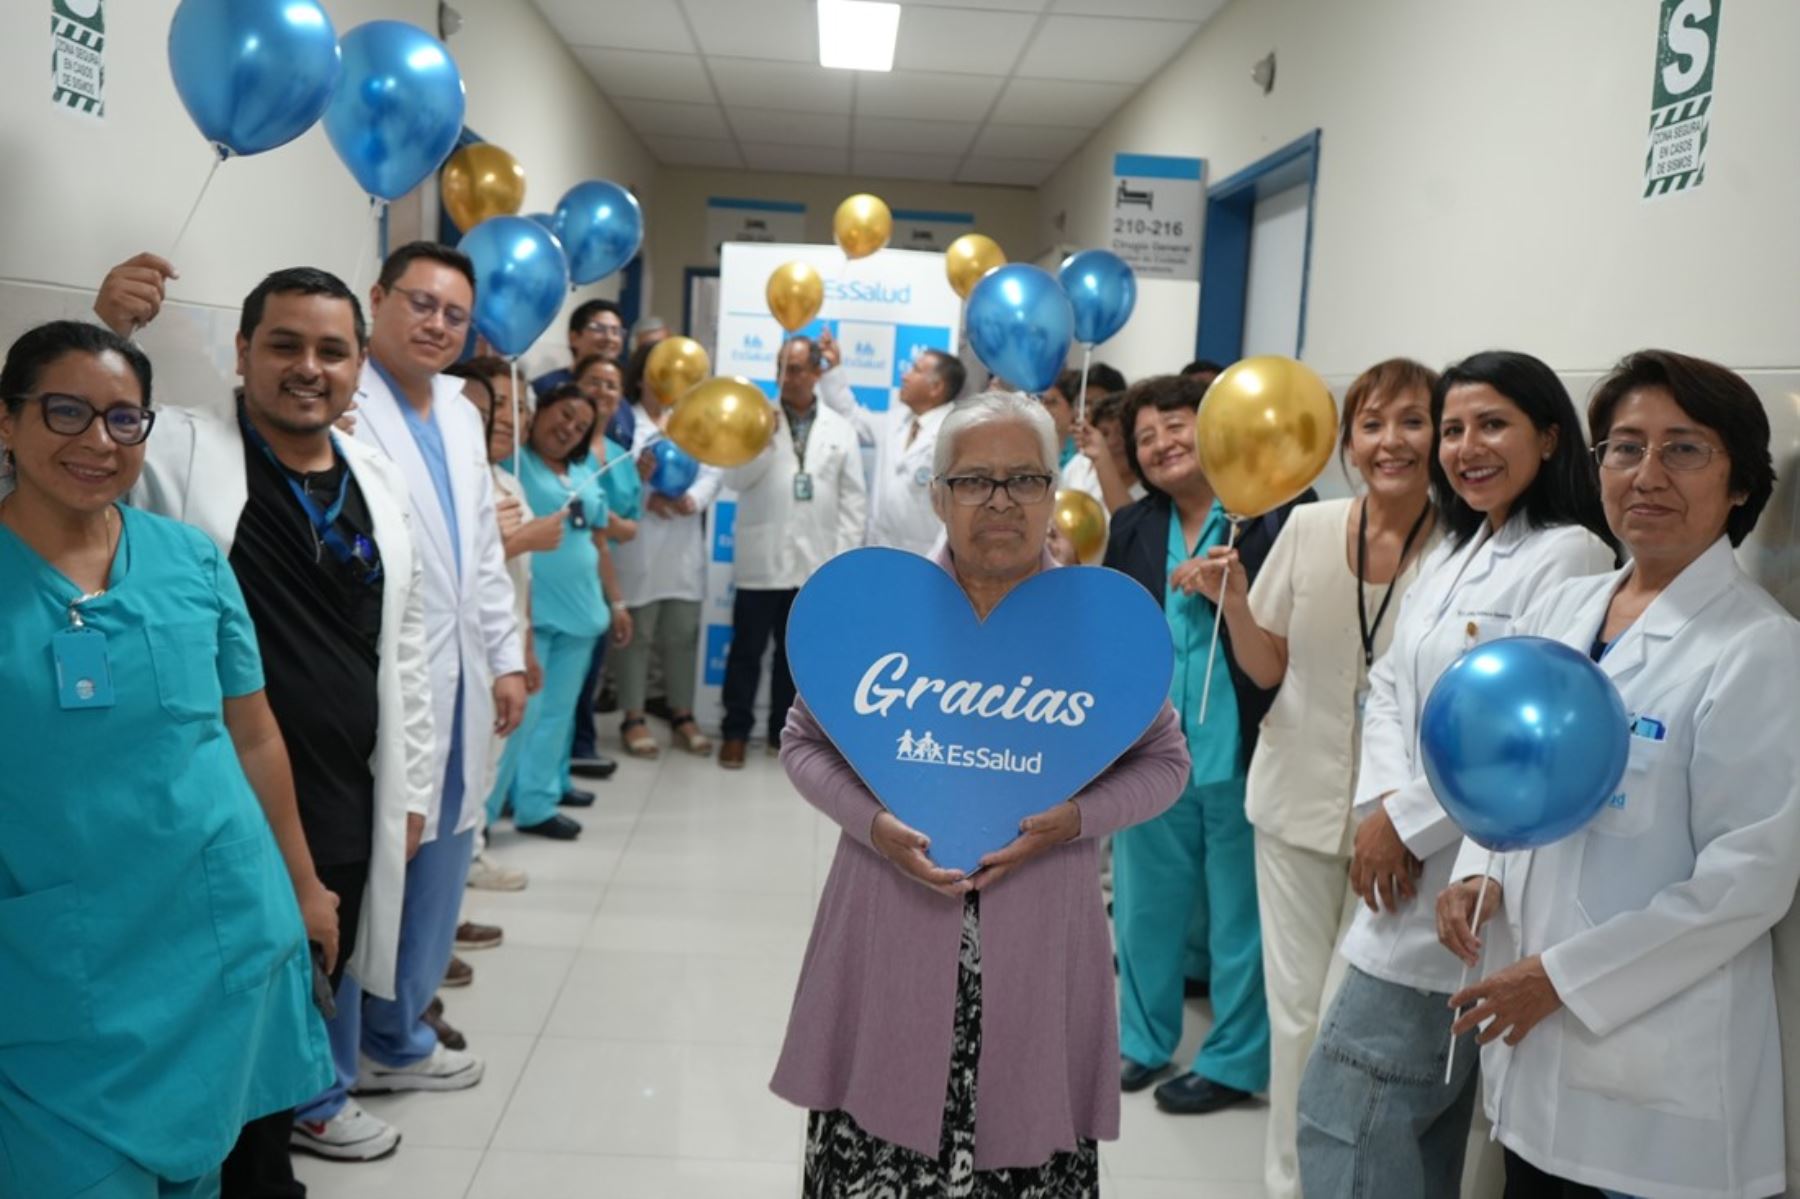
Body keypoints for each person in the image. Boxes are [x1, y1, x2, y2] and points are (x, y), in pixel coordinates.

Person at [771, 390, 1191, 1195]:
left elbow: (1165, 762)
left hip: (1042, 946)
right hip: (889, 927)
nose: (1000, 501)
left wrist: (1076, 820)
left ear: (1052, 492)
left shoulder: (1095, 624)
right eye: (974, 481)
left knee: (1025, 1151)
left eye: (1024, 479)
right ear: (937, 494)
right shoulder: (885, 615)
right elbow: (803, 741)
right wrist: (871, 822)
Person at [91, 257, 437, 1175]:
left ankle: (270, 1150)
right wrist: (113, 335)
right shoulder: (178, 448)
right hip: (220, 797)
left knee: (300, 1014)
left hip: (346, 798)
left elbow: (405, 641)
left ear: (361, 363)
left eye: (333, 350)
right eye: (284, 344)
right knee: (224, 1017)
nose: (308, 366)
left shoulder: (371, 474)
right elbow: (74, 448)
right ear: (242, 351)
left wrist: (414, 786)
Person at [1436, 350, 1798, 1199]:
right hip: (1535, 1053)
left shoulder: (1757, 649)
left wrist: (1561, 977)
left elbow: (1747, 882)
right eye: (1625, 447)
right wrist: (1476, 870)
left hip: (1656, 1088)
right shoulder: (1564, 609)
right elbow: (1512, 768)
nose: (1646, 475)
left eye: (1684, 449)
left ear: (1740, 482)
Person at [0, 321, 335, 1196]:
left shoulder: (188, 559)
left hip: (215, 936)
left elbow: (253, 732)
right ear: (6, 422)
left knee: (204, 1168)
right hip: (59, 960)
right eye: (64, 411)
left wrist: (303, 885)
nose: (96, 441)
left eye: (123, 419)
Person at [1296, 350, 1616, 1198]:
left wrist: (1406, 821)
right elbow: (1396, 687)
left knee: (1352, 1118)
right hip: (1401, 867)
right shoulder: (1458, 548)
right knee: (1395, 1130)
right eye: (1454, 427)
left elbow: (1527, 731)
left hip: (1472, 881)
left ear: (1550, 438)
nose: (1467, 446)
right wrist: (1381, 814)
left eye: (1494, 424)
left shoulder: (1568, 555)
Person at [1191, 358, 1442, 1198]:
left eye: (1413, 421)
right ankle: (1290, 1182)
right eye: (1372, 423)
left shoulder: (1462, 549)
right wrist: (1231, 600)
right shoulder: (1306, 528)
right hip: (1294, 800)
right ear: (1347, 442)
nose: (1391, 441)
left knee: (1351, 1011)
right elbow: (1267, 667)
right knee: (1296, 1009)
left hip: (1405, 825)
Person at [326, 242, 526, 1121]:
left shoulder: (456, 409)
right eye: (421, 303)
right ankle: (337, 1064)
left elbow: (481, 553)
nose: (438, 323)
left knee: (443, 860)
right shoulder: (342, 402)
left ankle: (398, 1034)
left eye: (454, 313)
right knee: (373, 867)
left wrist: (508, 656)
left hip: (463, 674)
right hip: (380, 678)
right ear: (377, 301)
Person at [1104, 373, 1312, 1115]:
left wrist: (1233, 589)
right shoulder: (1129, 528)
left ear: (1216, 427)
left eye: (1177, 426)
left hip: (1244, 750)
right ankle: (1141, 1038)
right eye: (1146, 437)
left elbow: (1298, 638)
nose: (1162, 444)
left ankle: (1233, 1059)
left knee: (1241, 919)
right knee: (1144, 908)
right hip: (1149, 751)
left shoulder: (1278, 516)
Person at [717, 336, 866, 769]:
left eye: (797, 368)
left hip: (816, 563)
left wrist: (840, 561)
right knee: (747, 650)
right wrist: (763, 441)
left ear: (817, 373)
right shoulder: (756, 420)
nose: (788, 377)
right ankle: (734, 732)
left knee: (794, 658)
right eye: (782, 367)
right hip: (762, 560)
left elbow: (853, 500)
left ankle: (781, 738)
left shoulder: (840, 428)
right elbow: (734, 481)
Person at [496, 384, 633, 840]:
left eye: (580, 427)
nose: (568, 429)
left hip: (583, 614)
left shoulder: (583, 473)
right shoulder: (512, 465)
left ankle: (539, 800)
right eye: (564, 415)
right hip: (534, 616)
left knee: (558, 716)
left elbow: (599, 539)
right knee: (521, 720)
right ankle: (488, 812)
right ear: (540, 410)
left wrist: (615, 602)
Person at [445, 357, 547, 894]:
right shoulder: (453, 480)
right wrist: (518, 540)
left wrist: (523, 652)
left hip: (501, 651)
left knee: (485, 768)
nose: (508, 418)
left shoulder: (506, 481)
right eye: (496, 406)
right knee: (456, 778)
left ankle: (470, 862)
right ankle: (451, 882)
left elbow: (515, 585)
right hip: (461, 655)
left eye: (519, 407)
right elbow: (451, 573)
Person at [610, 353, 720, 759]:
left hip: (682, 542)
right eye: (657, 377)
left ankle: (682, 714)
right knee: (635, 637)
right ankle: (633, 716)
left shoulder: (693, 420)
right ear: (641, 380)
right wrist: (643, 492)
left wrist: (690, 500)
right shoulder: (625, 424)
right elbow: (612, 475)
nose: (664, 386)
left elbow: (715, 467)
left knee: (682, 635)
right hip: (638, 542)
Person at [565, 351, 641, 783]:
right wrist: (603, 523)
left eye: (611, 385)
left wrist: (605, 522)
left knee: (587, 671)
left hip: (602, 572)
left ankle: (578, 750)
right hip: (563, 569)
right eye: (594, 381)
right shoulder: (557, 439)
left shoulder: (619, 455)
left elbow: (630, 526)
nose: (602, 392)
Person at [820, 334, 967, 555]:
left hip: (926, 559)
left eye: (915, 370)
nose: (905, 376)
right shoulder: (895, 420)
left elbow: (957, 512)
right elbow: (851, 416)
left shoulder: (956, 435)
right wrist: (833, 369)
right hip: (878, 550)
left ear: (936, 387)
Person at [1063, 390, 1144, 513]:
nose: (1113, 442)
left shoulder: (1156, 488)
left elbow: (1130, 526)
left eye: (1122, 433)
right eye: (1104, 434)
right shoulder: (1079, 467)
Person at [530, 297, 624, 400]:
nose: (609, 338)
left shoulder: (619, 401)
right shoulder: (547, 388)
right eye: (599, 329)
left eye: (616, 331)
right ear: (574, 338)